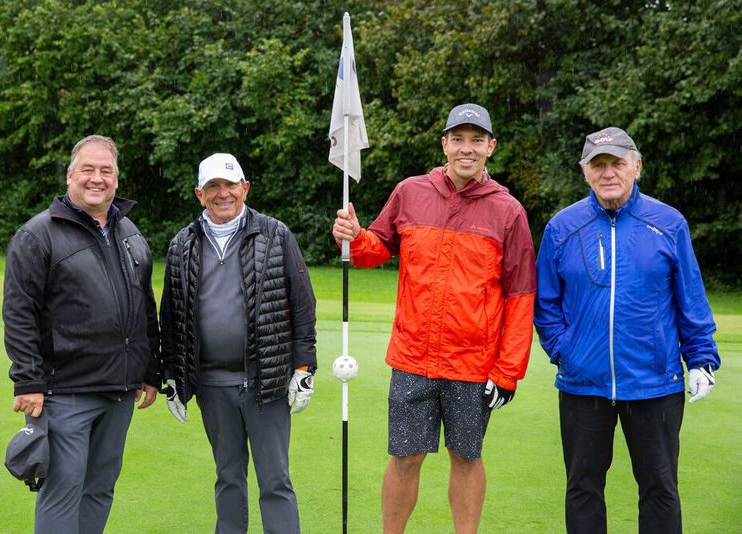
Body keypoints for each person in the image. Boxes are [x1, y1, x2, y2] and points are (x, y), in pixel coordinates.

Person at [332, 103, 537, 533]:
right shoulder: (410, 192)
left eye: (477, 140)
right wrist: (355, 236)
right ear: (444, 144)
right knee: (405, 458)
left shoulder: (508, 211)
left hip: (473, 364)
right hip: (412, 358)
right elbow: (376, 248)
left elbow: (521, 296)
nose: (467, 148)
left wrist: (508, 370)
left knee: (466, 457)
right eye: (458, 139)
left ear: (491, 147)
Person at [534, 127, 721, 534]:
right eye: (598, 165)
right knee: (583, 488)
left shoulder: (668, 223)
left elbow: (690, 299)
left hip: (655, 383)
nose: (608, 173)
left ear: (636, 167)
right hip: (584, 385)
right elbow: (546, 305)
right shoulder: (562, 227)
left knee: (660, 488)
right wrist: (567, 352)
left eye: (617, 163)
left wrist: (701, 359)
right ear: (585, 171)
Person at [3, 135, 161, 533]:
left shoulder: (129, 233)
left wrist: (151, 370)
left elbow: (145, 307)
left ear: (116, 180)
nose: (97, 178)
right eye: (87, 169)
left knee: (100, 489)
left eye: (106, 171)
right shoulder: (38, 234)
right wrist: (28, 380)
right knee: (62, 491)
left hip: (120, 390)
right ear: (70, 176)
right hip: (64, 391)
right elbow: (19, 312)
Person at [159, 153, 317, 534]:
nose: (222, 193)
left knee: (275, 479)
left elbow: (302, 303)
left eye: (230, 185)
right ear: (199, 194)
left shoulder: (276, 234)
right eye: (213, 186)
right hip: (213, 385)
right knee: (228, 477)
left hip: (266, 382)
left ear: (245, 188)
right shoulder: (181, 245)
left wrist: (304, 366)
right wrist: (172, 375)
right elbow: (172, 316)